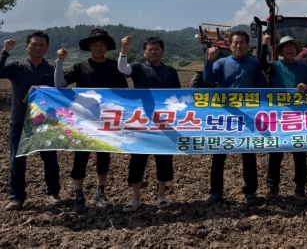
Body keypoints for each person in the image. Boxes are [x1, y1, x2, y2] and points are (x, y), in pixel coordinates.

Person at [55, 28, 128, 213]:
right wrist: (60, 61)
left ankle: (100, 193)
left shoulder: (115, 67)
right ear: (89, 47)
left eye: (101, 44)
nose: (98, 47)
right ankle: (79, 196)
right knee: (80, 158)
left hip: (106, 122)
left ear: (107, 46)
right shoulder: (80, 67)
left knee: (104, 157)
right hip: (83, 122)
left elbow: (124, 94)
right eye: (94, 44)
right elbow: (60, 85)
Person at [118, 36, 180, 212]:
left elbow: (177, 97)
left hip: (164, 122)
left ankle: (162, 195)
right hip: (141, 123)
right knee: (137, 159)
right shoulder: (138, 68)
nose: (153, 52)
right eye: (149, 49)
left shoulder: (170, 71)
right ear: (144, 52)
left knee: (164, 159)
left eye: (156, 49)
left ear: (162, 51)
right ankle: (135, 198)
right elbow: (122, 68)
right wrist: (124, 49)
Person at [0, 32, 61, 211]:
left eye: (42, 45)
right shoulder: (17, 66)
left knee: (50, 159)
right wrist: (5, 51)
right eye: (34, 44)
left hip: (45, 121)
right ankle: (17, 197)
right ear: (27, 46)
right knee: (17, 160)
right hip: (20, 120)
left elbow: (60, 88)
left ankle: (53, 193)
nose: (38, 48)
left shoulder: (51, 68)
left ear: (47, 48)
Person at [202, 30, 263, 207]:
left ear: (247, 45)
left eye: (242, 42)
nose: (238, 45)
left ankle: (251, 191)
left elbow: (260, 88)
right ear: (229, 46)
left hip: (247, 116)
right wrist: (209, 61)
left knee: (248, 154)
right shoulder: (221, 63)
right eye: (235, 42)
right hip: (225, 116)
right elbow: (208, 79)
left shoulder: (254, 64)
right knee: (219, 155)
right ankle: (216, 191)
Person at [259, 35, 307, 200]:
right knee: (276, 153)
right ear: (281, 51)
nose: (289, 49)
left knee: (300, 153)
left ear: (297, 50)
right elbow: (261, 65)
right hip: (279, 117)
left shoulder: (304, 68)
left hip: (299, 117)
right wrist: (264, 45)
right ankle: (273, 186)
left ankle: (300, 186)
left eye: (292, 46)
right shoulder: (275, 66)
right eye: (285, 47)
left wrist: (306, 87)